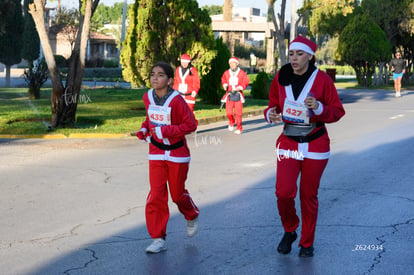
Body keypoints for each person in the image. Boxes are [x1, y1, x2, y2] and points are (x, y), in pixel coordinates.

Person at [264, 36, 345, 257]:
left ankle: (306, 242)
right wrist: (270, 113)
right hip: (289, 141)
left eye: (300, 54)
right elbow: (272, 102)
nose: (295, 58)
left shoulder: (322, 80)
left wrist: (318, 107)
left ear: (310, 56)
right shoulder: (281, 76)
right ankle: (290, 229)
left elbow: (337, 111)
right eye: (291, 54)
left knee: (308, 195)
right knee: (283, 192)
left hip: (316, 142)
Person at [136, 61, 199, 254]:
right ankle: (158, 238)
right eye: (153, 74)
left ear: (170, 80)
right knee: (156, 195)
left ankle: (191, 214)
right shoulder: (147, 97)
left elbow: (190, 125)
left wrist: (166, 130)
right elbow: (150, 118)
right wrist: (144, 128)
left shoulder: (177, 100)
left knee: (177, 194)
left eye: (160, 74)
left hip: (177, 153)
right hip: (156, 152)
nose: (155, 77)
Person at [221, 57, 250, 134]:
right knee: (229, 113)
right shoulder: (226, 73)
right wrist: (224, 85)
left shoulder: (242, 73)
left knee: (238, 113)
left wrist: (241, 87)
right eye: (230, 63)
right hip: (229, 94)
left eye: (234, 63)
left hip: (238, 95)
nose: (232, 65)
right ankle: (231, 121)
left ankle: (239, 128)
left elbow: (246, 81)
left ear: (237, 64)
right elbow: (223, 79)